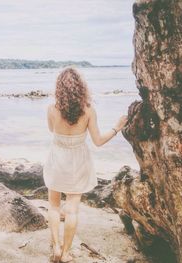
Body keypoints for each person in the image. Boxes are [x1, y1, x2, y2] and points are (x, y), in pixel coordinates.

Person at [43, 67, 128, 262]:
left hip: (57, 159)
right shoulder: (88, 110)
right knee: (72, 209)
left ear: (59, 88)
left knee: (54, 207)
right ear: (81, 88)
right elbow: (98, 141)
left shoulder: (51, 109)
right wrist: (117, 127)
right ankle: (65, 254)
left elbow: (51, 129)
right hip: (78, 162)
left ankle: (56, 247)